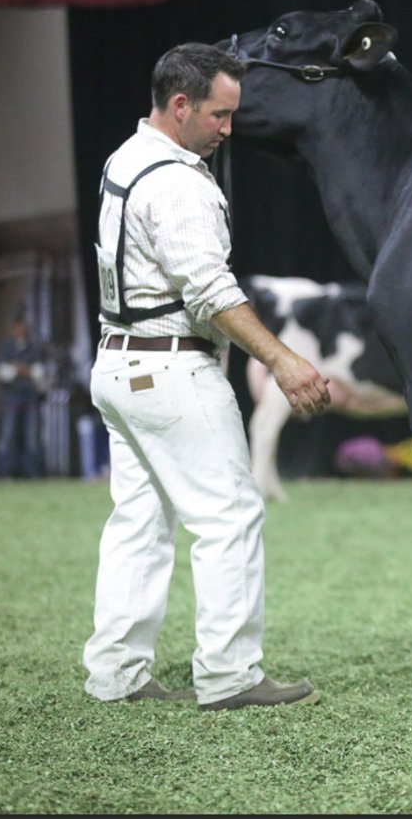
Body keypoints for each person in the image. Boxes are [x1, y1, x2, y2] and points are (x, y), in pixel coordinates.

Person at [83, 42, 332, 711]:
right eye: (220, 115)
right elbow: (208, 290)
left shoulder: (125, 159)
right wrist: (282, 359)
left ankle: (116, 674)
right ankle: (228, 675)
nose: (228, 129)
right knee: (229, 515)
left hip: (117, 360)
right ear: (181, 104)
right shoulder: (177, 181)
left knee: (138, 521)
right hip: (170, 367)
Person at [0, 317, 47, 479]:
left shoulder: (34, 347)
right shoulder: (6, 346)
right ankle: (5, 472)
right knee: (7, 435)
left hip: (30, 397)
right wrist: (26, 371)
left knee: (32, 437)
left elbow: (39, 373)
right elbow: (3, 373)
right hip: (11, 397)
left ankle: (32, 473)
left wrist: (18, 368)